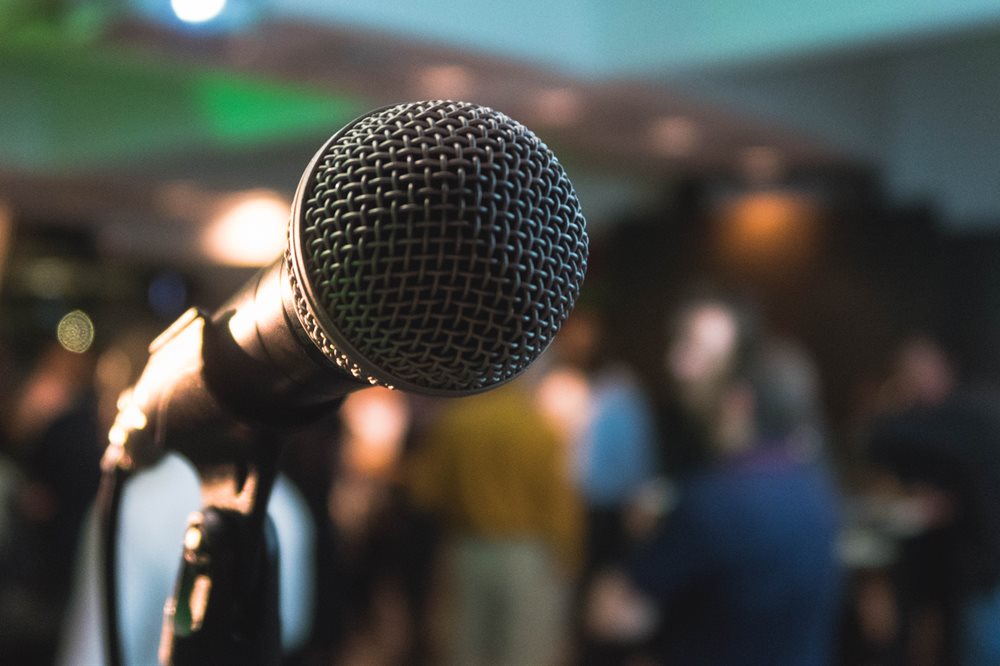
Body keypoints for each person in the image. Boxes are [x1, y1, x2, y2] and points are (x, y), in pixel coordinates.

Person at [588, 295, 842, 665]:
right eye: (682, 345)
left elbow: (614, 613)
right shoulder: (816, 484)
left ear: (739, 396)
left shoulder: (715, 497)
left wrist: (645, 544)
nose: (683, 365)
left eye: (704, 353)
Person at [406, 373, 583, 666]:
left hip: (466, 550)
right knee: (523, 653)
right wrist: (570, 557)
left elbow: (426, 492)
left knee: (464, 650)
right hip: (526, 557)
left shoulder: (457, 422)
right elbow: (559, 503)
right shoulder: (539, 427)